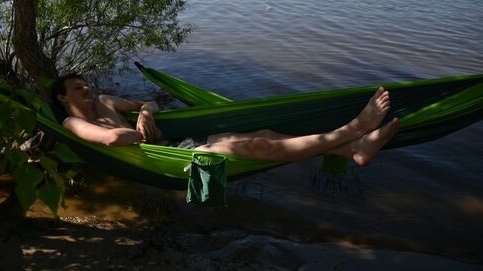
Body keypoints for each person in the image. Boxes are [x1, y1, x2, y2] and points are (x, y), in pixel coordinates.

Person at [51, 73, 399, 166]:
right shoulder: (72, 124)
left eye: (86, 84)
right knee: (253, 145)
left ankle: (352, 150)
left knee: (264, 131)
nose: (87, 89)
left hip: (177, 149)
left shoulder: (106, 101)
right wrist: (134, 135)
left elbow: (153, 102)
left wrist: (143, 112)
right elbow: (110, 140)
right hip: (173, 165)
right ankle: (352, 129)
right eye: (77, 88)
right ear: (62, 98)